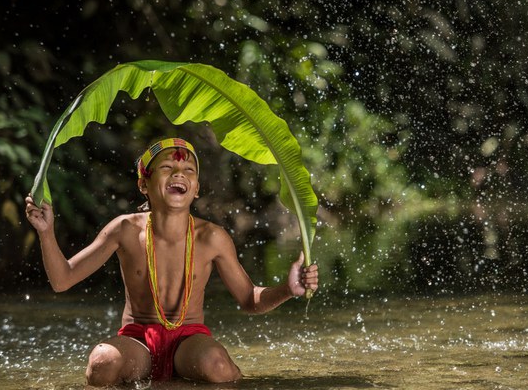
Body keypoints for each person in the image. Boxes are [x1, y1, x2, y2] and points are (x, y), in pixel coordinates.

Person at [24, 137, 319, 386]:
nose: (179, 173)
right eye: (167, 167)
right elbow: (62, 280)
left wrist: (287, 289)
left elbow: (249, 299)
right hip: (138, 340)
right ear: (144, 184)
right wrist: (46, 233)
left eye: (188, 169)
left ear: (197, 187)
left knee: (217, 366)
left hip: (189, 342)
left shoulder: (212, 237)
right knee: (102, 363)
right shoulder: (124, 230)